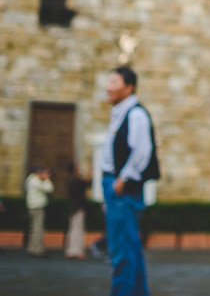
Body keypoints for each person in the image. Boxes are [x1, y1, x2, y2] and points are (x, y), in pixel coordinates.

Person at [101, 65, 160, 296]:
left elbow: (142, 151)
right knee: (130, 248)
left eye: (113, 82)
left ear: (129, 87)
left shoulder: (135, 114)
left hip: (122, 187)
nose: (108, 87)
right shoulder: (122, 112)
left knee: (122, 251)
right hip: (118, 184)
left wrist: (123, 179)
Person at [24, 166, 54, 256]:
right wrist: (47, 179)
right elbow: (49, 189)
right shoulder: (35, 180)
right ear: (38, 172)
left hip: (33, 206)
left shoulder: (30, 179)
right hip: (37, 207)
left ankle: (32, 248)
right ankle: (37, 250)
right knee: (38, 229)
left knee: (34, 229)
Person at [65, 163, 89, 259]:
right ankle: (76, 251)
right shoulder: (76, 179)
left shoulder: (69, 179)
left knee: (72, 229)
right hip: (78, 207)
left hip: (72, 207)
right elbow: (86, 184)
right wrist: (89, 174)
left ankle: (70, 250)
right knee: (77, 230)